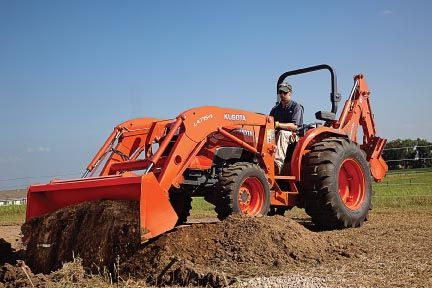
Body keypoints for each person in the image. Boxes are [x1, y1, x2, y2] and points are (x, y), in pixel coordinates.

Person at [270, 82, 303, 175]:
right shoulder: (275, 109)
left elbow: (294, 126)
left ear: (290, 93)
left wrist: (278, 125)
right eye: (280, 92)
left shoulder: (296, 107)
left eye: (284, 93)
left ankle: (277, 164)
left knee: (282, 133)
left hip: (294, 135)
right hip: (277, 132)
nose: (282, 95)